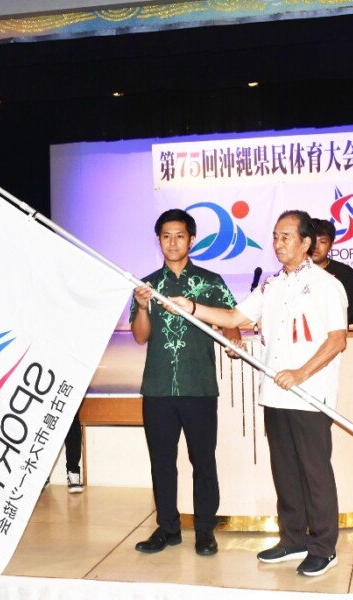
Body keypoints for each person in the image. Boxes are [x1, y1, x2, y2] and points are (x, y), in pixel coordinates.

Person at [167, 210, 347, 577]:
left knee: (314, 473)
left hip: (309, 395)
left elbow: (337, 340)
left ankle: (324, 547)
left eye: (286, 237)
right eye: (275, 236)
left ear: (306, 242)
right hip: (275, 395)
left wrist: (301, 373)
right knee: (285, 472)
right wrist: (192, 307)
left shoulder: (327, 285)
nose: (278, 243)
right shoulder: (271, 285)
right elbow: (235, 318)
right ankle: (293, 539)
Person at [130, 208, 240, 557]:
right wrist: (142, 307)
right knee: (162, 462)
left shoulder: (210, 281)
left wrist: (234, 341)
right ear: (159, 240)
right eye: (166, 236)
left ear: (191, 240)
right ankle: (167, 528)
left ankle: (205, 530)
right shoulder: (147, 285)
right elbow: (140, 337)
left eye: (179, 236)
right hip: (158, 388)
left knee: (203, 461)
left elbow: (232, 322)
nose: (173, 242)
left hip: (199, 385)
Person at [311, 218, 353, 326]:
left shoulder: (345, 273)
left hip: (335, 333)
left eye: (322, 242)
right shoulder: (294, 273)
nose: (316, 246)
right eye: (312, 240)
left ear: (331, 245)